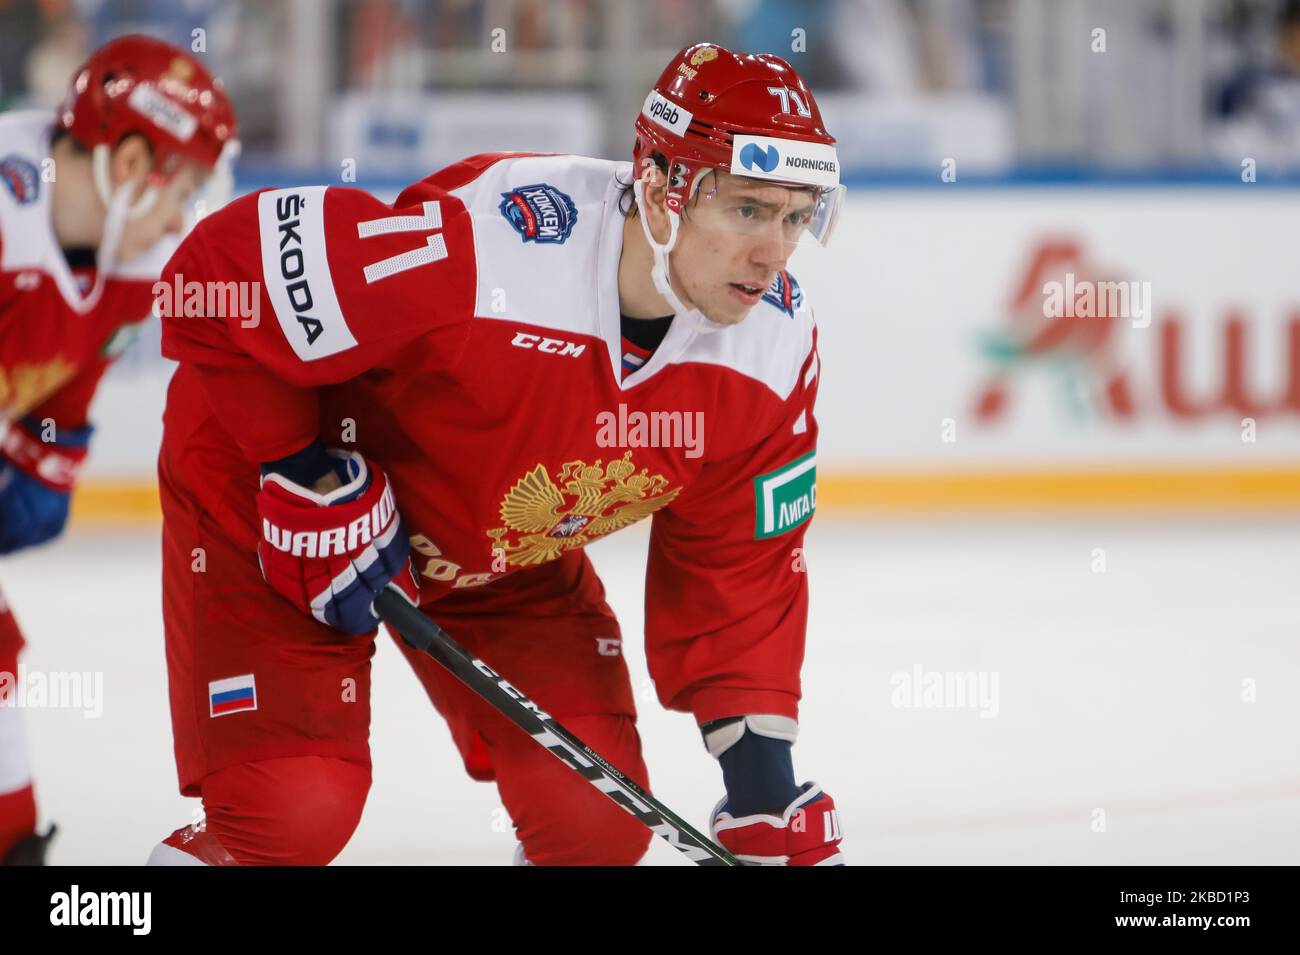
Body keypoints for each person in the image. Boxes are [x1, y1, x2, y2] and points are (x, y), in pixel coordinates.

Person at [148, 42, 844, 866]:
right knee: (292, 810)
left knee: (596, 830)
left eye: (798, 216)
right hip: (280, 508)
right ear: (661, 191)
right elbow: (220, 270)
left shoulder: (770, 345)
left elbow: (740, 565)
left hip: (495, 551)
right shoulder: (497, 249)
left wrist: (764, 788)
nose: (777, 252)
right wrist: (298, 464)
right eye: (751, 211)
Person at [0, 34, 237, 865]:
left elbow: (59, 373)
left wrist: (45, 458)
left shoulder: (128, 257)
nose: (183, 217)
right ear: (132, 160)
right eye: (186, 186)